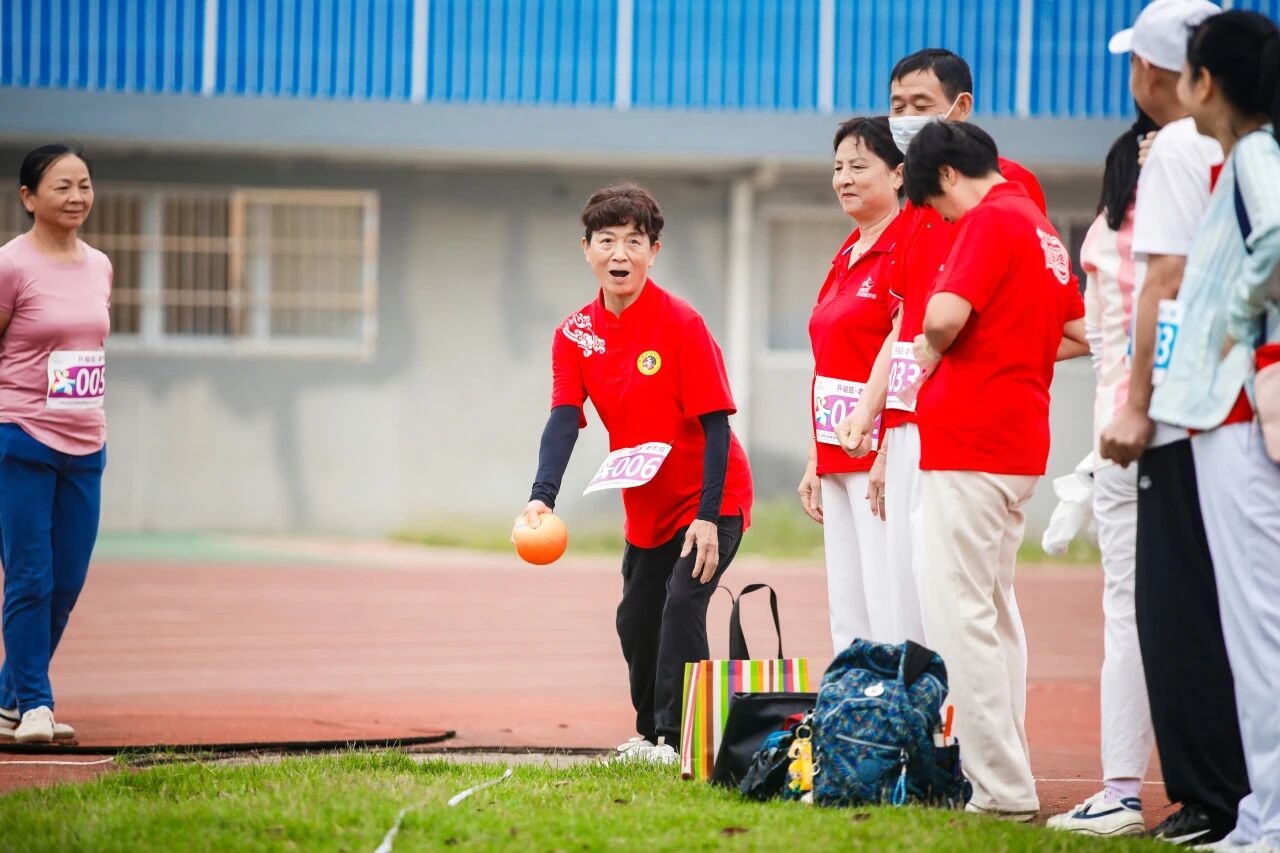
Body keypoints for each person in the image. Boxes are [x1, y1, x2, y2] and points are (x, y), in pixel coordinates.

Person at [516, 182, 753, 765]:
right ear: (586, 248)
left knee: (680, 604)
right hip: (646, 507)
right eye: (607, 241)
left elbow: (717, 427)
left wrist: (706, 517)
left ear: (654, 251)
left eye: (633, 241)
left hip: (710, 498)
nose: (619, 254)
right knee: (635, 620)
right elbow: (564, 419)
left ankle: (681, 740)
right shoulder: (575, 334)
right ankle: (650, 736)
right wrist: (542, 497)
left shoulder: (681, 323)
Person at [903, 120, 1088, 821]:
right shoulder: (1040, 226)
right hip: (1018, 438)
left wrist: (925, 339)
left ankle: (1000, 787)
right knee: (996, 615)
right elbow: (1078, 331)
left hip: (970, 438)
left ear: (948, 176)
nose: (941, 220)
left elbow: (944, 318)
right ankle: (1010, 772)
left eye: (936, 205)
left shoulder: (987, 219)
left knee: (962, 619)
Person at [1098, 0, 1252, 844]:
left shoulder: (1174, 154)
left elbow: (1161, 286)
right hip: (1236, 411)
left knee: (1174, 608)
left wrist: (1136, 407)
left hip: (1184, 413)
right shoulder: (1244, 150)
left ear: (1161, 73)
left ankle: (1207, 794)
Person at [833, 48, 1047, 648]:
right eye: (896, 106)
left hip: (968, 417)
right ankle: (913, 728)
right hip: (911, 419)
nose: (904, 117)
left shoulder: (1002, 185)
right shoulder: (916, 204)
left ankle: (973, 732)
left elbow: (1016, 312)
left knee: (968, 600)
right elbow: (905, 325)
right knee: (906, 590)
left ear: (961, 107)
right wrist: (877, 421)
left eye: (920, 106)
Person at [1148, 11, 1280, 850]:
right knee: (1251, 627)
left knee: (1257, 629)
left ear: (1208, 82)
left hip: (1235, 417)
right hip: (1219, 416)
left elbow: (1274, 241)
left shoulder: (1256, 157)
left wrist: (1235, 312)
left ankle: (1268, 820)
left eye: (1189, 71)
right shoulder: (1241, 159)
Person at [1046, 112, 1160, 837]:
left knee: (1210, 616)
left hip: (1176, 431)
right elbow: (1099, 327)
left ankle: (1237, 792)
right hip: (1123, 437)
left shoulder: (1215, 176)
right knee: (1133, 613)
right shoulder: (1129, 179)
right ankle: (1125, 788)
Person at [0, 144, 111, 745]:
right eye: (62, 187)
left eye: (85, 185)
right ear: (28, 198)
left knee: (66, 582)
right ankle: (36, 706)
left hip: (86, 442)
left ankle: (6, 701)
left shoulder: (100, 265)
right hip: (19, 436)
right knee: (29, 576)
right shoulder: (10, 266)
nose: (76, 198)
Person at [796, 116, 904, 651]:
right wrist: (816, 457)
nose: (844, 178)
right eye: (838, 167)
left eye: (860, 166)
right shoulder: (847, 252)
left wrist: (887, 448)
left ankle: (896, 719)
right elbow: (830, 358)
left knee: (887, 601)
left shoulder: (906, 249)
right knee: (847, 603)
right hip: (836, 454)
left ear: (899, 175)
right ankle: (853, 716)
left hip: (880, 455)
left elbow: (907, 353)